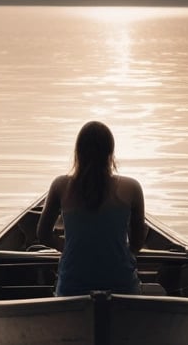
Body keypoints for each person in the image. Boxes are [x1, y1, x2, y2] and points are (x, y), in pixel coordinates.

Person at [37, 121, 146, 296]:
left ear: (78, 152)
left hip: (72, 287)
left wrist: (68, 248)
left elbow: (43, 234)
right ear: (110, 153)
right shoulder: (132, 187)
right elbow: (137, 242)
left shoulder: (60, 185)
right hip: (122, 287)